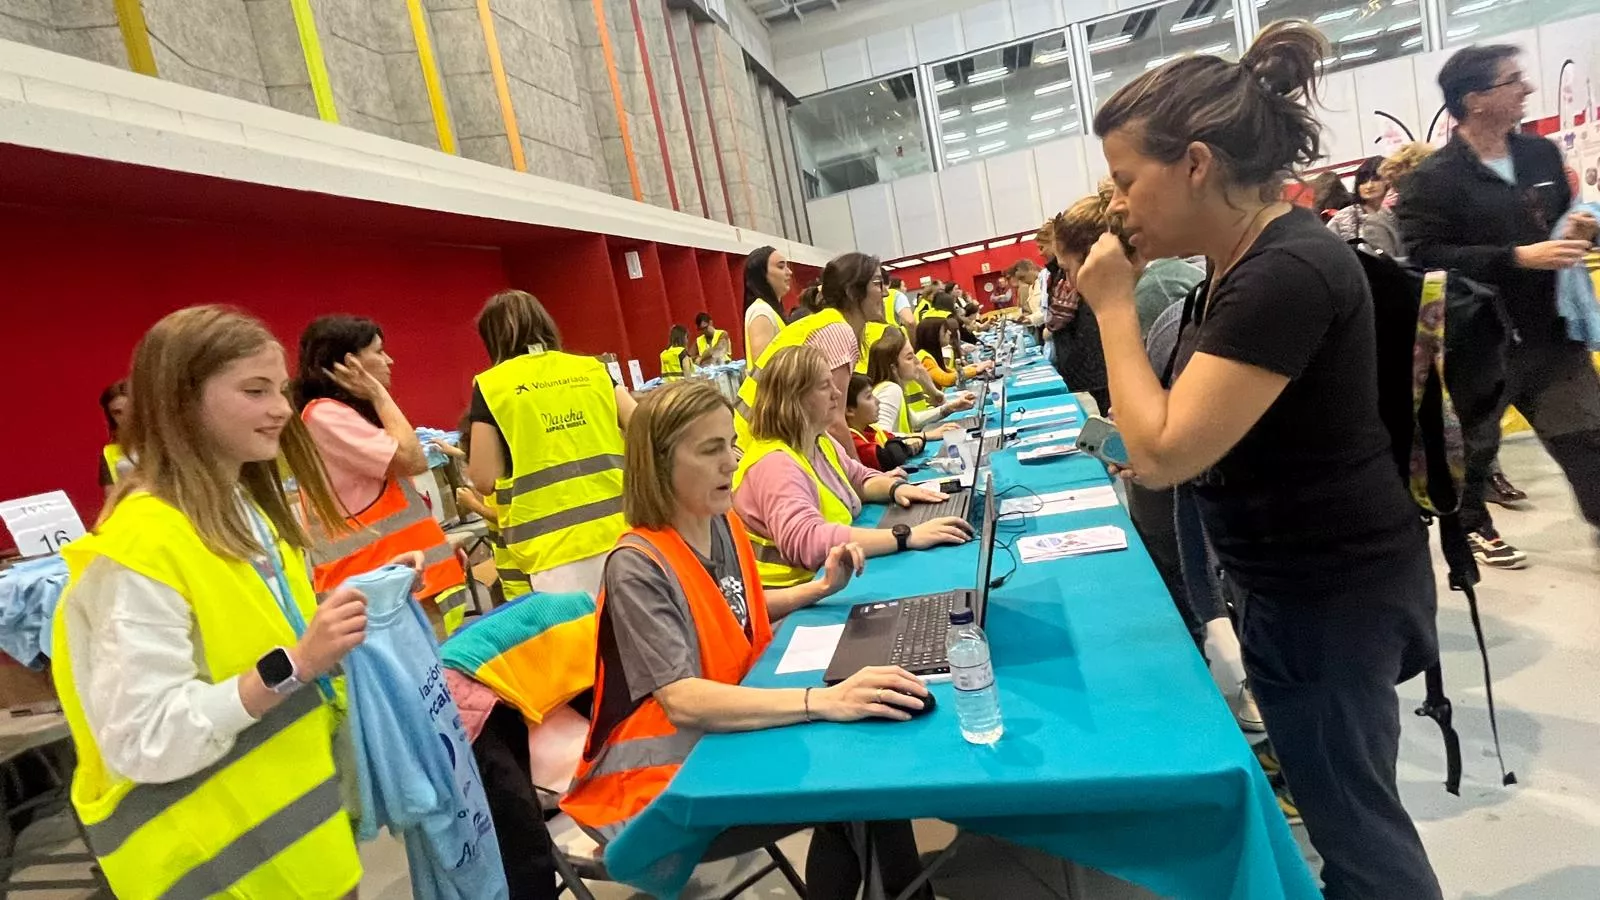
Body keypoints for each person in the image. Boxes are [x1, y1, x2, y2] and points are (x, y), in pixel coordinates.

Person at [1078, 22, 1443, 898]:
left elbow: (1162, 451)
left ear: (1196, 164)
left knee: (1358, 829)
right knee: (1339, 808)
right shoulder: (1235, 266)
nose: (1119, 206)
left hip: (1331, 593)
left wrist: (1112, 306)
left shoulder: (1284, 272)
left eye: (1128, 181)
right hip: (1297, 586)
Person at [52, 305, 382, 899]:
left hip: (302, 860)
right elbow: (144, 739)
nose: (281, 408)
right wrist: (298, 664)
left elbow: (247, 635)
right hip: (218, 872)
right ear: (181, 402)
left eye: (279, 389)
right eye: (255, 391)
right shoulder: (141, 549)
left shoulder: (244, 514)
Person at [561, 379, 933, 899]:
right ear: (659, 462)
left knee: (864, 779)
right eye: (711, 450)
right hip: (663, 789)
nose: (731, 462)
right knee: (855, 789)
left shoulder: (719, 521)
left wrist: (818, 588)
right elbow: (685, 701)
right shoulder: (636, 566)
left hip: (725, 740)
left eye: (730, 444)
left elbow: (734, 608)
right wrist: (821, 701)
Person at [1398, 43, 1600, 564]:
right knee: (1474, 448)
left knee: (1587, 438)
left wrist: (1577, 227)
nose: (1527, 89)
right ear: (1476, 99)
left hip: (1553, 334)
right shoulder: (1433, 179)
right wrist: (1516, 257)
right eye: (1514, 80)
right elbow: (1425, 257)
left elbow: (1557, 219)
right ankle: (1470, 525)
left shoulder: (1541, 154)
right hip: (1480, 344)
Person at [733, 345, 971, 587]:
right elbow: (807, 540)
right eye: (825, 386)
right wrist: (905, 536)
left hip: (828, 578)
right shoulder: (774, 463)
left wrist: (895, 489)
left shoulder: (818, 441)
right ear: (795, 398)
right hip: (795, 600)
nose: (837, 393)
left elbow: (858, 478)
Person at [295, 315, 467, 630]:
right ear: (351, 363)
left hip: (396, 587)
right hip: (380, 595)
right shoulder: (324, 415)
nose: (389, 360)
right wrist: (377, 392)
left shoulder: (340, 415)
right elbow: (412, 459)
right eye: (378, 351)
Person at [468, 290, 637, 599]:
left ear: (492, 338)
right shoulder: (592, 370)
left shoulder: (492, 385)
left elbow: (483, 478)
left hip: (552, 549)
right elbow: (643, 425)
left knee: (582, 642)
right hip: (624, 528)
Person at [734, 253, 891, 462]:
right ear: (852, 291)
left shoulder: (828, 324)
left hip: (759, 441)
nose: (886, 293)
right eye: (878, 283)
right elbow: (834, 423)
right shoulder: (837, 330)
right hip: (755, 444)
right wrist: (863, 478)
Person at [867, 327, 973, 436]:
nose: (916, 361)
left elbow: (914, 420)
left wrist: (950, 407)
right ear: (893, 368)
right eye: (909, 358)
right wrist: (927, 435)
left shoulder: (893, 387)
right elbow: (881, 436)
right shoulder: (890, 390)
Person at [845, 373, 927, 471]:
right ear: (849, 410)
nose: (877, 401)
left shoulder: (872, 430)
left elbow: (903, 441)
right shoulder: (850, 439)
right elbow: (890, 457)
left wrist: (905, 445)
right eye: (868, 397)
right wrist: (907, 447)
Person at [1326, 157, 1401, 257]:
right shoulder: (1344, 217)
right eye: (1363, 181)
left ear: (1389, 181)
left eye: (1375, 179)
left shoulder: (1399, 212)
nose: (1369, 186)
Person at [914, 314, 991, 389]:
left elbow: (949, 371)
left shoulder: (929, 354)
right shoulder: (925, 359)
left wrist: (973, 367)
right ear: (934, 335)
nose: (949, 333)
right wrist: (976, 370)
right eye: (945, 330)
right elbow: (946, 379)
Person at [742, 245, 791, 362]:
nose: (789, 272)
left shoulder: (769, 310)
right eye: (781, 266)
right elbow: (764, 367)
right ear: (763, 275)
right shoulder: (761, 312)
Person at [97, 380, 133, 498]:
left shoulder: (166, 446)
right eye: (117, 412)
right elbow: (111, 501)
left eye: (131, 409)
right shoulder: (109, 454)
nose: (125, 417)